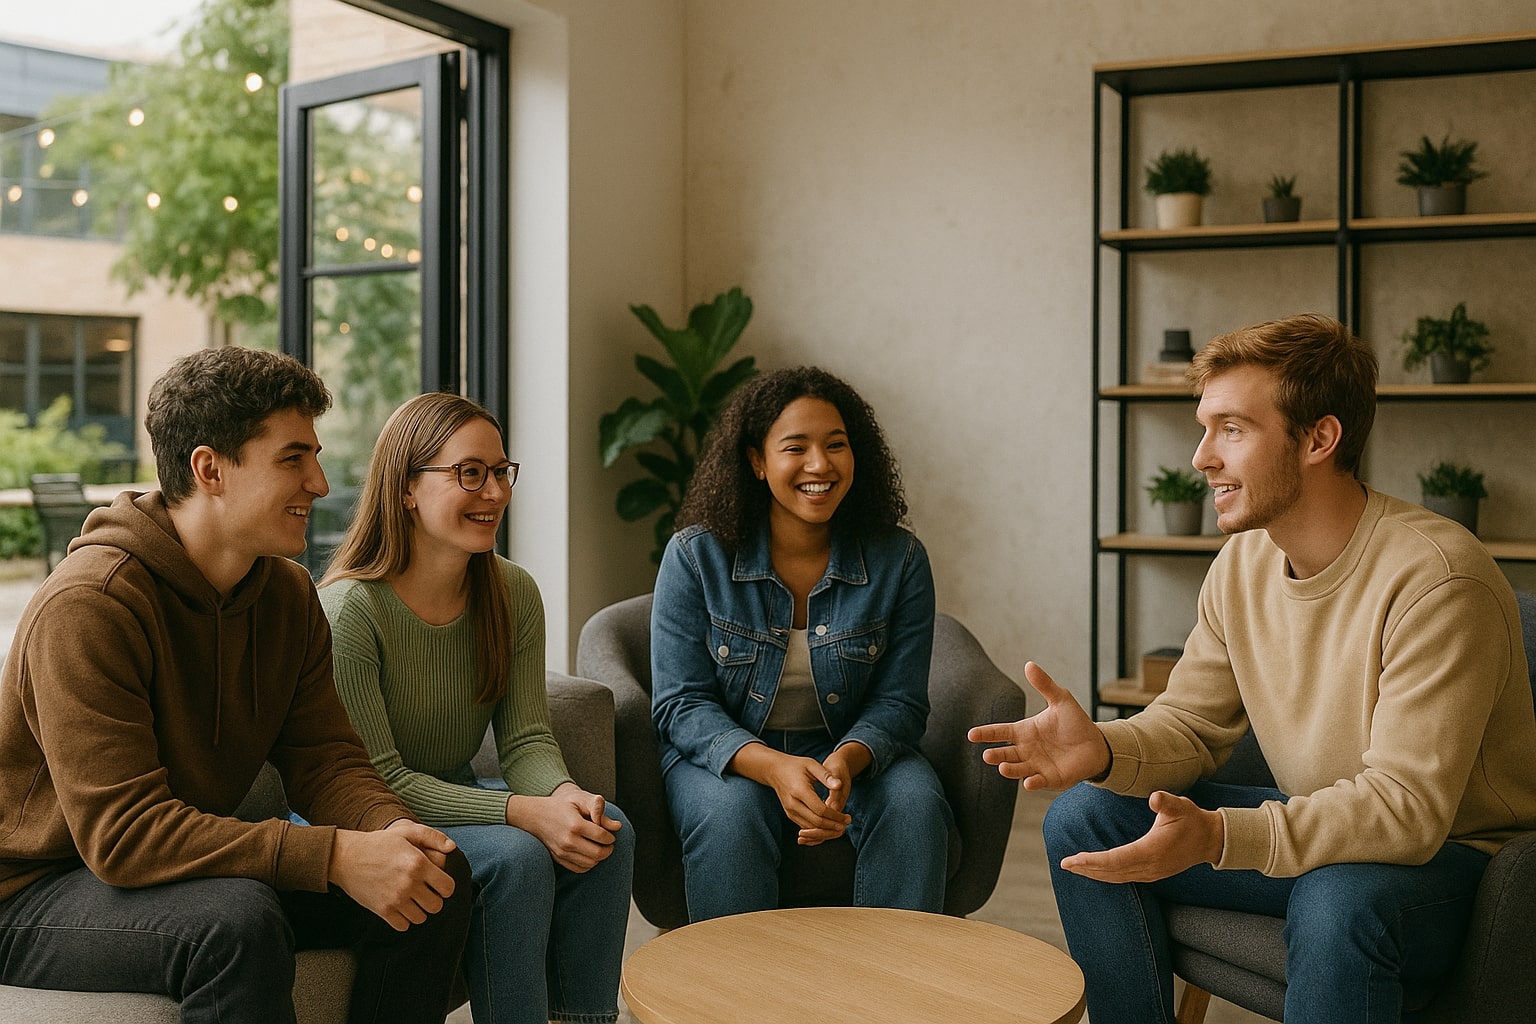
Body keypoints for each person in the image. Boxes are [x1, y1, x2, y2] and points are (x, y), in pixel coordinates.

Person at [969, 312, 1536, 1024]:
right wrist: (1104, 749)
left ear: (1319, 440)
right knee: (1084, 815)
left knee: (1338, 898)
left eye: (1232, 430)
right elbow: (1191, 727)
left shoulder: (1438, 580)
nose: (1203, 457)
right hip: (1326, 834)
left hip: (1457, 870)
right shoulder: (1245, 562)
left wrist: (1221, 836)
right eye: (1205, 428)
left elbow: (1406, 811)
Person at [0, 347, 473, 1024]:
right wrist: (334, 855)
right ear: (209, 469)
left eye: (315, 454)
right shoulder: (90, 606)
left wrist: (390, 832)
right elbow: (124, 835)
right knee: (234, 922)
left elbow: (325, 757)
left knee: (436, 876)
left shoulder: (285, 595)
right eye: (292, 458)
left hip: (160, 871)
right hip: (31, 893)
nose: (319, 480)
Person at [318, 391, 633, 1024]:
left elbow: (524, 741)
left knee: (609, 835)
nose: (492, 492)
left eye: (500, 472)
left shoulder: (511, 590)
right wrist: (523, 812)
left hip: (454, 798)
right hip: (362, 821)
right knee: (516, 858)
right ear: (407, 486)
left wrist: (564, 795)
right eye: (469, 473)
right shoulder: (351, 610)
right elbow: (379, 781)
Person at [651, 365, 952, 922]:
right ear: (757, 461)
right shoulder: (695, 556)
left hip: (847, 746)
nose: (820, 465)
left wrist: (844, 762)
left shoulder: (901, 560)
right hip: (727, 754)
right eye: (797, 447)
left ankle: (899, 995)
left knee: (915, 807)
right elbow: (681, 703)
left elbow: (902, 704)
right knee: (730, 819)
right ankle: (733, 1004)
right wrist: (770, 766)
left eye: (836, 445)